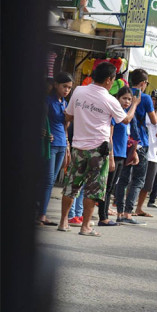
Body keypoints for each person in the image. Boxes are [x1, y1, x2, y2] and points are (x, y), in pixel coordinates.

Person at [58, 62, 139, 235]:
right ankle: (85, 226)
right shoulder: (109, 99)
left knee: (71, 185)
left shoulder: (79, 90)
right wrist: (134, 105)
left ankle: (63, 221)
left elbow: (69, 114)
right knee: (93, 189)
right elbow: (125, 120)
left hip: (78, 146)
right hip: (98, 150)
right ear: (109, 80)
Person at [113, 69, 157, 226]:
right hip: (140, 141)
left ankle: (119, 212)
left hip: (125, 140)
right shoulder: (144, 98)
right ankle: (128, 213)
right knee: (138, 179)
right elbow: (154, 121)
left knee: (123, 178)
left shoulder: (124, 93)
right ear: (143, 83)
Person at [38, 72, 73, 226]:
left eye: (69, 88)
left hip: (61, 143)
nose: (67, 90)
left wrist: (67, 143)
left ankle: (41, 212)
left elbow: (66, 126)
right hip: (50, 144)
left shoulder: (64, 103)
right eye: (64, 86)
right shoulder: (47, 100)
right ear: (56, 85)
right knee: (47, 180)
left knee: (50, 181)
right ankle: (41, 214)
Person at [97, 87, 133, 227]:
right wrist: (111, 156)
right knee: (107, 186)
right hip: (114, 154)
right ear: (118, 98)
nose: (127, 101)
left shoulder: (123, 113)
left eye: (129, 99)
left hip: (122, 154)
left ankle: (105, 215)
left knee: (112, 188)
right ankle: (103, 216)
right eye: (124, 98)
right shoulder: (115, 114)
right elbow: (110, 136)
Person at [135, 91, 157, 218]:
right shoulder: (146, 114)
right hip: (142, 150)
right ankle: (127, 205)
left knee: (147, 184)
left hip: (154, 153)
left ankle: (139, 208)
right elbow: (152, 121)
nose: (156, 102)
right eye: (154, 99)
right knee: (135, 181)